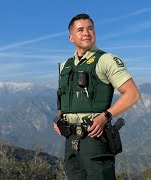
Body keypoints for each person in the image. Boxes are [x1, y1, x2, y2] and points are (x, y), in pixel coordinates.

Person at [53, 13, 140, 180]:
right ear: (71, 37)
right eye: (80, 30)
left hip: (95, 137)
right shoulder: (65, 66)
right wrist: (59, 119)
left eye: (90, 29)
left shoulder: (106, 60)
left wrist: (105, 117)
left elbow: (133, 94)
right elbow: (63, 97)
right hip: (70, 139)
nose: (86, 33)